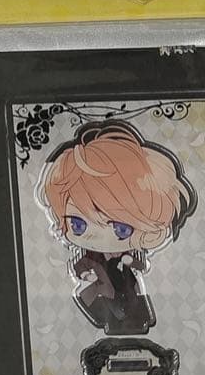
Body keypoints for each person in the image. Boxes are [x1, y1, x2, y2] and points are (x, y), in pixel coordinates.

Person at [37, 120, 196, 335]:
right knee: (105, 311)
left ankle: (134, 324)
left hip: (128, 289)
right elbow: (81, 265)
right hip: (101, 292)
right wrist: (86, 276)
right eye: (78, 224)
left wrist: (130, 262)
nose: (98, 235)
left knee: (133, 311)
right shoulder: (91, 255)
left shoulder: (131, 252)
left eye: (121, 229)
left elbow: (141, 265)